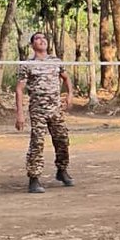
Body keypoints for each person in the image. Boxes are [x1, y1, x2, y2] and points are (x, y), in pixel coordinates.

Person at [15, 32, 73, 193]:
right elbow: (19, 90)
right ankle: (34, 179)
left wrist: (69, 94)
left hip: (56, 109)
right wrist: (20, 114)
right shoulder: (27, 64)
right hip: (38, 110)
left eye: (44, 38)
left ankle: (62, 171)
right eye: (38, 39)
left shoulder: (55, 61)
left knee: (62, 140)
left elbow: (66, 78)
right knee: (37, 143)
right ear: (32, 44)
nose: (42, 41)